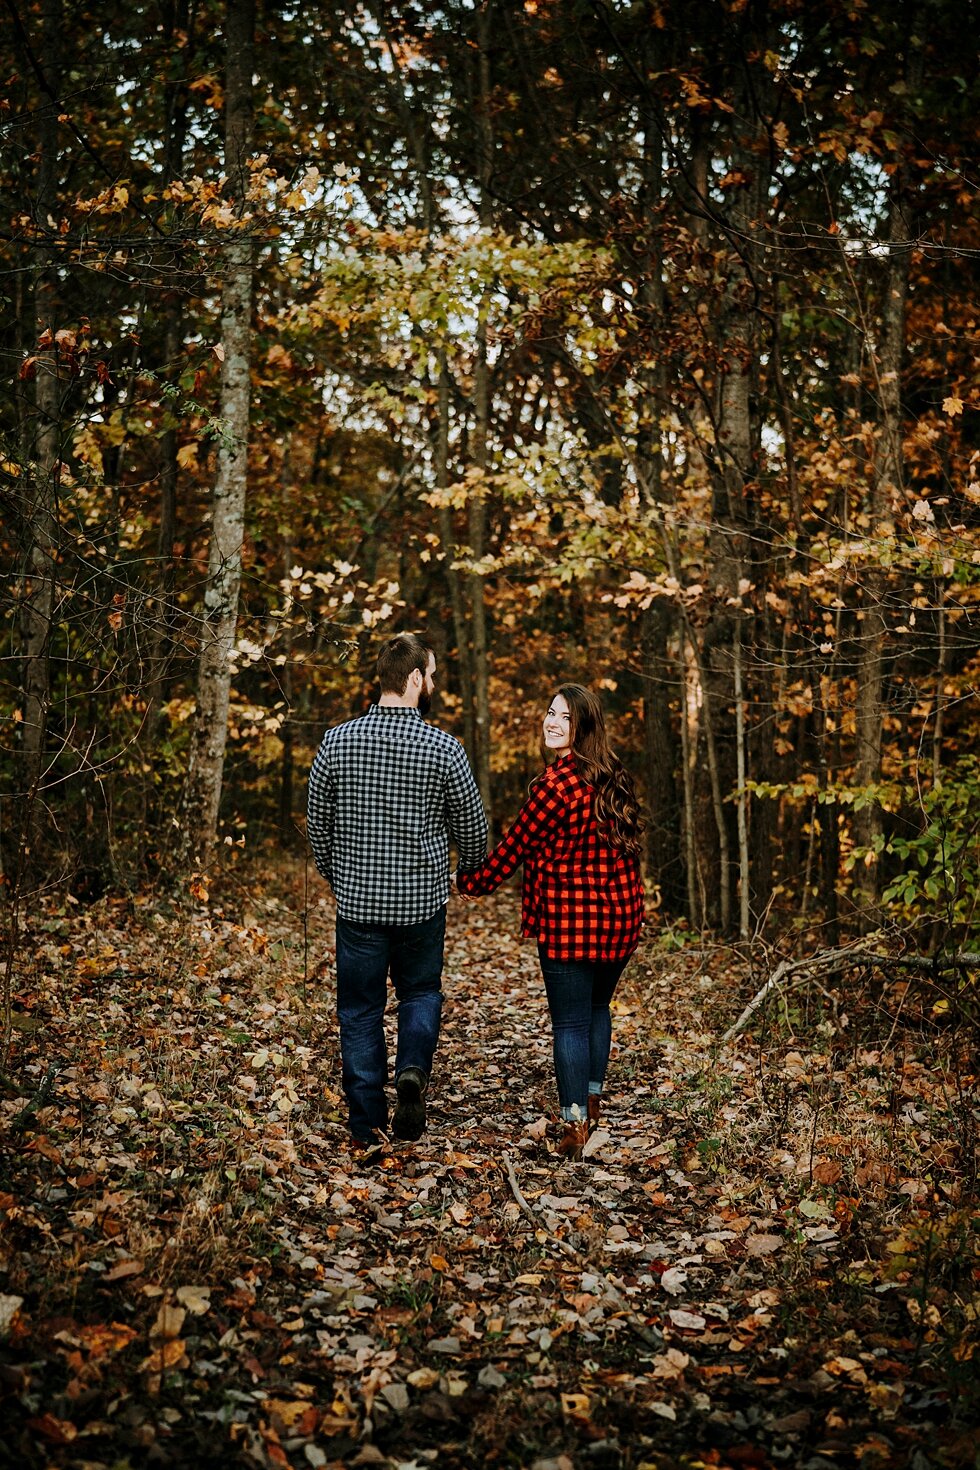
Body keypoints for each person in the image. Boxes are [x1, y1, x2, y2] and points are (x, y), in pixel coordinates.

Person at [307, 632, 487, 1153]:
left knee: (359, 1010)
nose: (431, 684)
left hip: (359, 904)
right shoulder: (444, 748)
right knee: (420, 994)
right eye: (429, 675)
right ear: (413, 680)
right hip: (420, 907)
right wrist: (465, 873)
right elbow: (473, 832)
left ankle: (366, 1123)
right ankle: (411, 1070)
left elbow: (318, 823)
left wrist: (337, 875)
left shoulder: (337, 741)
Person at [455, 684, 644, 1160]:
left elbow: (515, 848)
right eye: (549, 712)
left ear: (584, 726)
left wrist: (470, 883)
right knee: (597, 1009)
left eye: (564, 717)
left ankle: (575, 1125)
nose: (552, 721)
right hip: (621, 919)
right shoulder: (613, 775)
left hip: (571, 924)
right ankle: (593, 1102)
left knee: (570, 1024)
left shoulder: (555, 787)